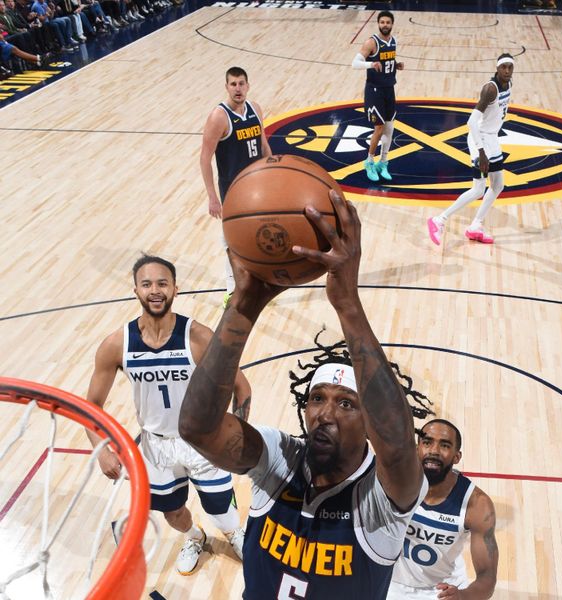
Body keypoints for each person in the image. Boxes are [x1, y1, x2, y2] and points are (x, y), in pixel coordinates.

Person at [178, 191, 430, 598]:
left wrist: (347, 302)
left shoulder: (383, 496)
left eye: (346, 403)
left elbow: (399, 448)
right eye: (317, 398)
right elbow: (196, 428)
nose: (325, 414)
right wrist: (242, 305)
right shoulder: (281, 458)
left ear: (370, 421)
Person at [85, 254, 251, 575]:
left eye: (163, 283)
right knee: (173, 512)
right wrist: (101, 448)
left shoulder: (199, 338)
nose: (155, 290)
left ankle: (233, 533)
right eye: (147, 284)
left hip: (203, 440)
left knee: (220, 508)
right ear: (135, 290)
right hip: (156, 445)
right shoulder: (117, 344)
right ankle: (194, 537)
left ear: (176, 289)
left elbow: (241, 387)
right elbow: (92, 404)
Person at [388, 419, 498, 600]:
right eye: (427, 442)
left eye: (445, 445)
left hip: (443, 589)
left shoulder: (477, 504)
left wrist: (463, 596)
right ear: (417, 449)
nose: (433, 451)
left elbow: (487, 577)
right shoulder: (392, 482)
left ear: (457, 456)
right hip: (391, 582)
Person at [200, 66, 272, 307]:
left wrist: (273, 172)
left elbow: (263, 144)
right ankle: (231, 290)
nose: (238, 88)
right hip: (233, 190)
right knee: (231, 241)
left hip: (258, 186)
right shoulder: (219, 116)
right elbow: (204, 158)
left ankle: (259, 284)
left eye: (242, 83)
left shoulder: (255, 109)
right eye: (233, 84)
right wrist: (212, 197)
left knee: (260, 235)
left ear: (248, 85)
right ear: (226, 87)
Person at [426, 54, 514, 246]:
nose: (507, 71)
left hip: (491, 139)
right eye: (504, 67)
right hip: (479, 139)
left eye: (510, 67)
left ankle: (476, 226)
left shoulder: (509, 84)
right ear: (497, 69)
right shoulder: (490, 89)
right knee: (478, 189)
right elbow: (471, 122)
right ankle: (438, 220)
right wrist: (481, 153)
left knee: (498, 185)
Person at [352, 10, 403, 183]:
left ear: (392, 24)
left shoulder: (393, 41)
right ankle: (369, 161)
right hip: (374, 91)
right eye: (382, 22)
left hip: (389, 89)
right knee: (379, 129)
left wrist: (397, 65)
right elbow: (355, 63)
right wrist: (370, 64)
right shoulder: (371, 42)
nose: (385, 25)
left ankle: (383, 162)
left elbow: (387, 61)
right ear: (378, 23)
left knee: (390, 128)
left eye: (388, 22)